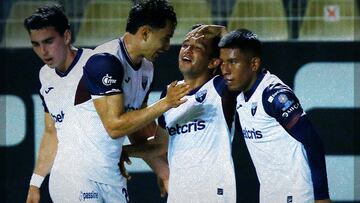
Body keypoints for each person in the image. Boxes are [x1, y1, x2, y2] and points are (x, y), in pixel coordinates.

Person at [71, 0, 190, 202]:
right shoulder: (106, 60)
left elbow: (138, 127)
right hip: (80, 171)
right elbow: (115, 126)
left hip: (109, 169)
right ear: (145, 33)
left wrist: (163, 171)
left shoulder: (147, 69)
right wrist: (166, 103)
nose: (168, 46)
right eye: (166, 38)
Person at [124, 24, 238, 202]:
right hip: (179, 195)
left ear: (213, 62)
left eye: (197, 47)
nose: (188, 50)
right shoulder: (170, 94)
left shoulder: (221, 88)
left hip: (213, 195)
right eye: (185, 45)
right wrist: (124, 151)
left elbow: (236, 57)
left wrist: (220, 30)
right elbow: (160, 145)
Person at [216, 28, 331, 202]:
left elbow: (313, 142)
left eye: (233, 62)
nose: (225, 70)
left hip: (296, 193)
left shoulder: (274, 96)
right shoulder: (239, 95)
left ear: (254, 64)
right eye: (222, 62)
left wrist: (322, 196)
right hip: (269, 194)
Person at [23, 4, 94, 203]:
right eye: (36, 44)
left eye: (48, 41)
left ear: (66, 36)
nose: (43, 51)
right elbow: (51, 131)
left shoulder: (95, 64)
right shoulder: (45, 76)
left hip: (106, 175)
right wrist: (35, 183)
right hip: (69, 179)